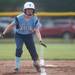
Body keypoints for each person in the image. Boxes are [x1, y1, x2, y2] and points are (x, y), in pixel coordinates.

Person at [0, 1, 46, 72]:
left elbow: (37, 30)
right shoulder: (19, 18)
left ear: (33, 10)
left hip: (29, 36)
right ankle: (17, 67)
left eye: (31, 10)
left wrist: (40, 40)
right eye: (28, 9)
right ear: (25, 10)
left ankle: (35, 63)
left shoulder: (35, 18)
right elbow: (11, 26)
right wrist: (3, 33)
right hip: (19, 36)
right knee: (19, 49)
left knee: (32, 51)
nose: (30, 11)